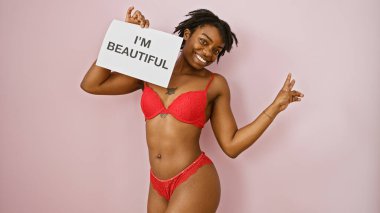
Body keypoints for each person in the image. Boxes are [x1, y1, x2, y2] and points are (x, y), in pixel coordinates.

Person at [80, 6, 304, 213]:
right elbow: (92, 84)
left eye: (216, 50)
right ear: (187, 35)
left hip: (194, 179)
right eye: (204, 42)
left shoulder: (215, 84)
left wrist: (275, 107)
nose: (208, 53)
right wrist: (124, 36)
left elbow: (232, 145)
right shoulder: (151, 68)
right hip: (157, 184)